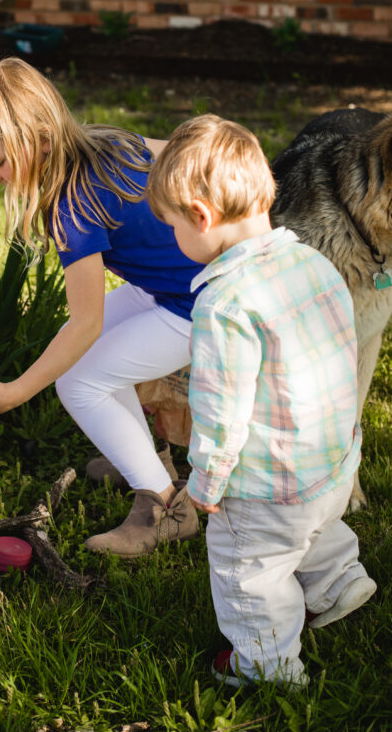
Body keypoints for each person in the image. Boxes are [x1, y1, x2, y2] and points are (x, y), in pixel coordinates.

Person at [147, 113, 376, 688]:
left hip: (266, 486)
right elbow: (341, 352)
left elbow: (222, 411)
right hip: (330, 461)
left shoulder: (224, 305)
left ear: (200, 218)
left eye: (172, 226)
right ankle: (338, 583)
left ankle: (266, 667)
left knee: (249, 569)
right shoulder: (314, 262)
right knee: (317, 528)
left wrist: (207, 483)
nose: (174, 238)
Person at [0, 56, 201, 556]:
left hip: (201, 304)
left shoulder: (71, 206)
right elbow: (178, 153)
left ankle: (166, 507)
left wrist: (14, 393)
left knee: (79, 381)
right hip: (179, 286)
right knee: (94, 358)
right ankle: (146, 458)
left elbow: (86, 324)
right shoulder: (105, 141)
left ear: (39, 139)